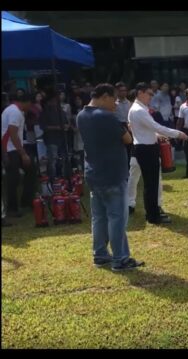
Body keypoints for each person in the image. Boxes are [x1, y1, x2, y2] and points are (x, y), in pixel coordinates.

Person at [76, 83, 144, 271]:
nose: (116, 104)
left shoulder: (81, 116)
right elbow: (128, 139)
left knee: (99, 217)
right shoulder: (106, 116)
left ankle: (100, 254)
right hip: (113, 174)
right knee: (117, 218)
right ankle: (120, 259)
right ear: (104, 96)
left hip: (93, 174)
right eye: (113, 100)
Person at [128, 82, 188, 225]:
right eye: (149, 94)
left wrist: (156, 136)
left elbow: (146, 129)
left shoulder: (139, 109)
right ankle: (153, 216)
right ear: (140, 93)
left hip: (145, 147)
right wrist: (177, 134)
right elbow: (157, 126)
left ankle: (153, 213)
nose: (151, 97)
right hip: (146, 150)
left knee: (151, 184)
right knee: (151, 184)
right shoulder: (139, 110)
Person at [1, 93, 34, 217]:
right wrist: (23, 153)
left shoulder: (13, 110)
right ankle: (12, 208)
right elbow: (12, 134)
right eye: (30, 104)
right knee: (13, 179)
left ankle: (25, 201)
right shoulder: (15, 112)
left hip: (13, 148)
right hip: (10, 149)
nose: (30, 107)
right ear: (26, 102)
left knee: (30, 170)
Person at [40, 90, 71, 179]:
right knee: (52, 159)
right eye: (53, 101)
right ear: (49, 101)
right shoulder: (45, 112)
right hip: (51, 138)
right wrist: (57, 127)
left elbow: (66, 122)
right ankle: (52, 178)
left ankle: (63, 177)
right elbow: (43, 127)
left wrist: (66, 126)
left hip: (62, 138)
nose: (55, 102)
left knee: (64, 158)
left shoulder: (61, 111)